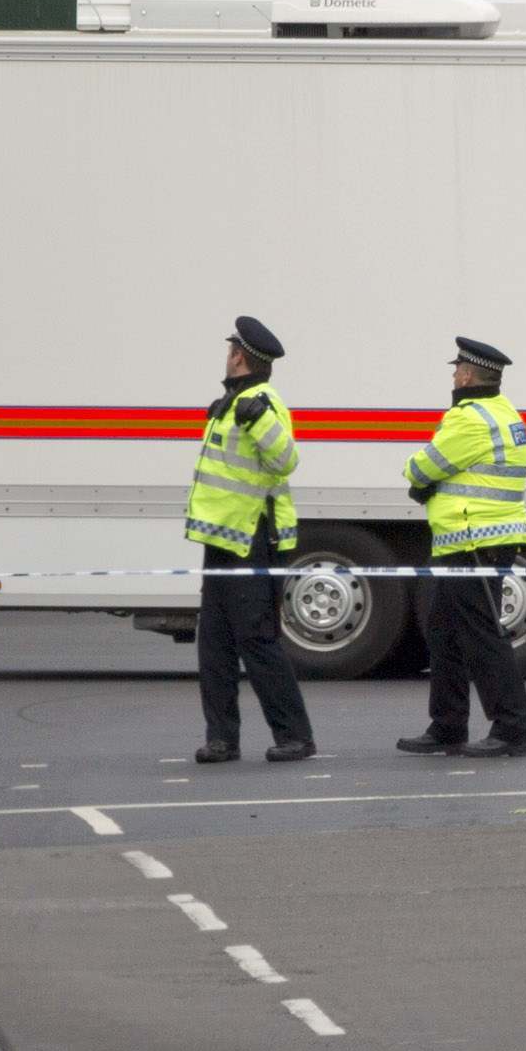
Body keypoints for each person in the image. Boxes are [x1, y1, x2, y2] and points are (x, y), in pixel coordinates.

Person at [396, 335, 526, 760]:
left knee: (481, 637)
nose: (454, 375)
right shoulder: (504, 411)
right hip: (479, 540)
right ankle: (448, 724)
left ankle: (511, 729)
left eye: (457, 369)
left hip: (474, 540)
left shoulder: (468, 419)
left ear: (470, 374)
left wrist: (421, 478)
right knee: (444, 633)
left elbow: (420, 467)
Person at [186, 315, 314, 765]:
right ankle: (222, 739)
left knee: (258, 642)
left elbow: (286, 459)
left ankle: (295, 737)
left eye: (230, 350)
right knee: (215, 646)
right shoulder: (231, 401)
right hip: (222, 540)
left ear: (240, 355)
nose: (227, 355)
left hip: (252, 540)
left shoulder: (262, 401)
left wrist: (258, 421)